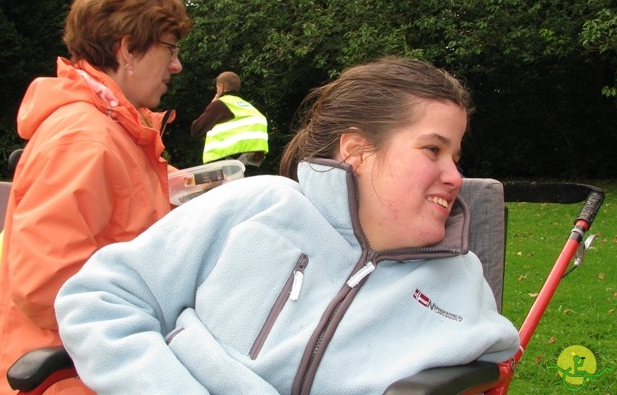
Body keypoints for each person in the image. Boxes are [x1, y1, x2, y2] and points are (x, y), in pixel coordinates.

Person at [55, 57, 520, 395]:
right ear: (356, 151)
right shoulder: (257, 206)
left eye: (456, 156)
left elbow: (493, 368)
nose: (456, 176)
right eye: (433, 150)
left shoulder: (458, 279)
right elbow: (101, 298)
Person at [0, 0, 192, 395]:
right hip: (56, 379)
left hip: (86, 369)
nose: (176, 64)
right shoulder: (85, 138)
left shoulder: (119, 132)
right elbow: (46, 287)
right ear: (127, 49)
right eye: (169, 48)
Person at [190, 71, 269, 167]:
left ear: (221, 87)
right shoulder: (247, 106)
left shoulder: (220, 104)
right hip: (254, 158)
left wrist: (212, 104)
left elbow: (196, 129)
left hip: (229, 159)